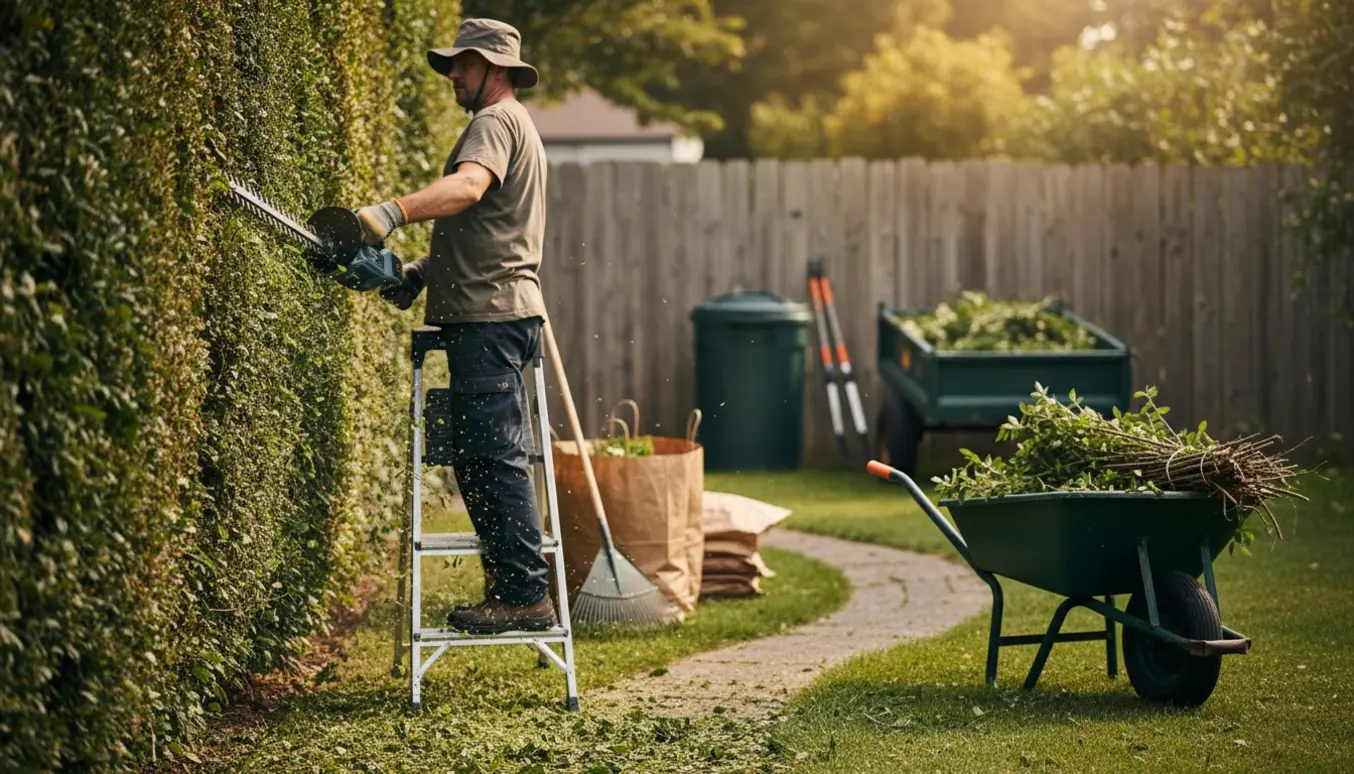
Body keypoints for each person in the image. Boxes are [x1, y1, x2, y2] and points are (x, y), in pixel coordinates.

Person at [355, 18, 554, 635]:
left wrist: (393, 212)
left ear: (496, 69)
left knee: (494, 459)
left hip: (491, 318)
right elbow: (489, 231)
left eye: (464, 64)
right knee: (479, 457)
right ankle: (510, 584)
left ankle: (524, 594)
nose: (453, 76)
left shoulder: (494, 122)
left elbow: (468, 188)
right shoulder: (515, 123)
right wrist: (419, 272)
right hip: (491, 313)